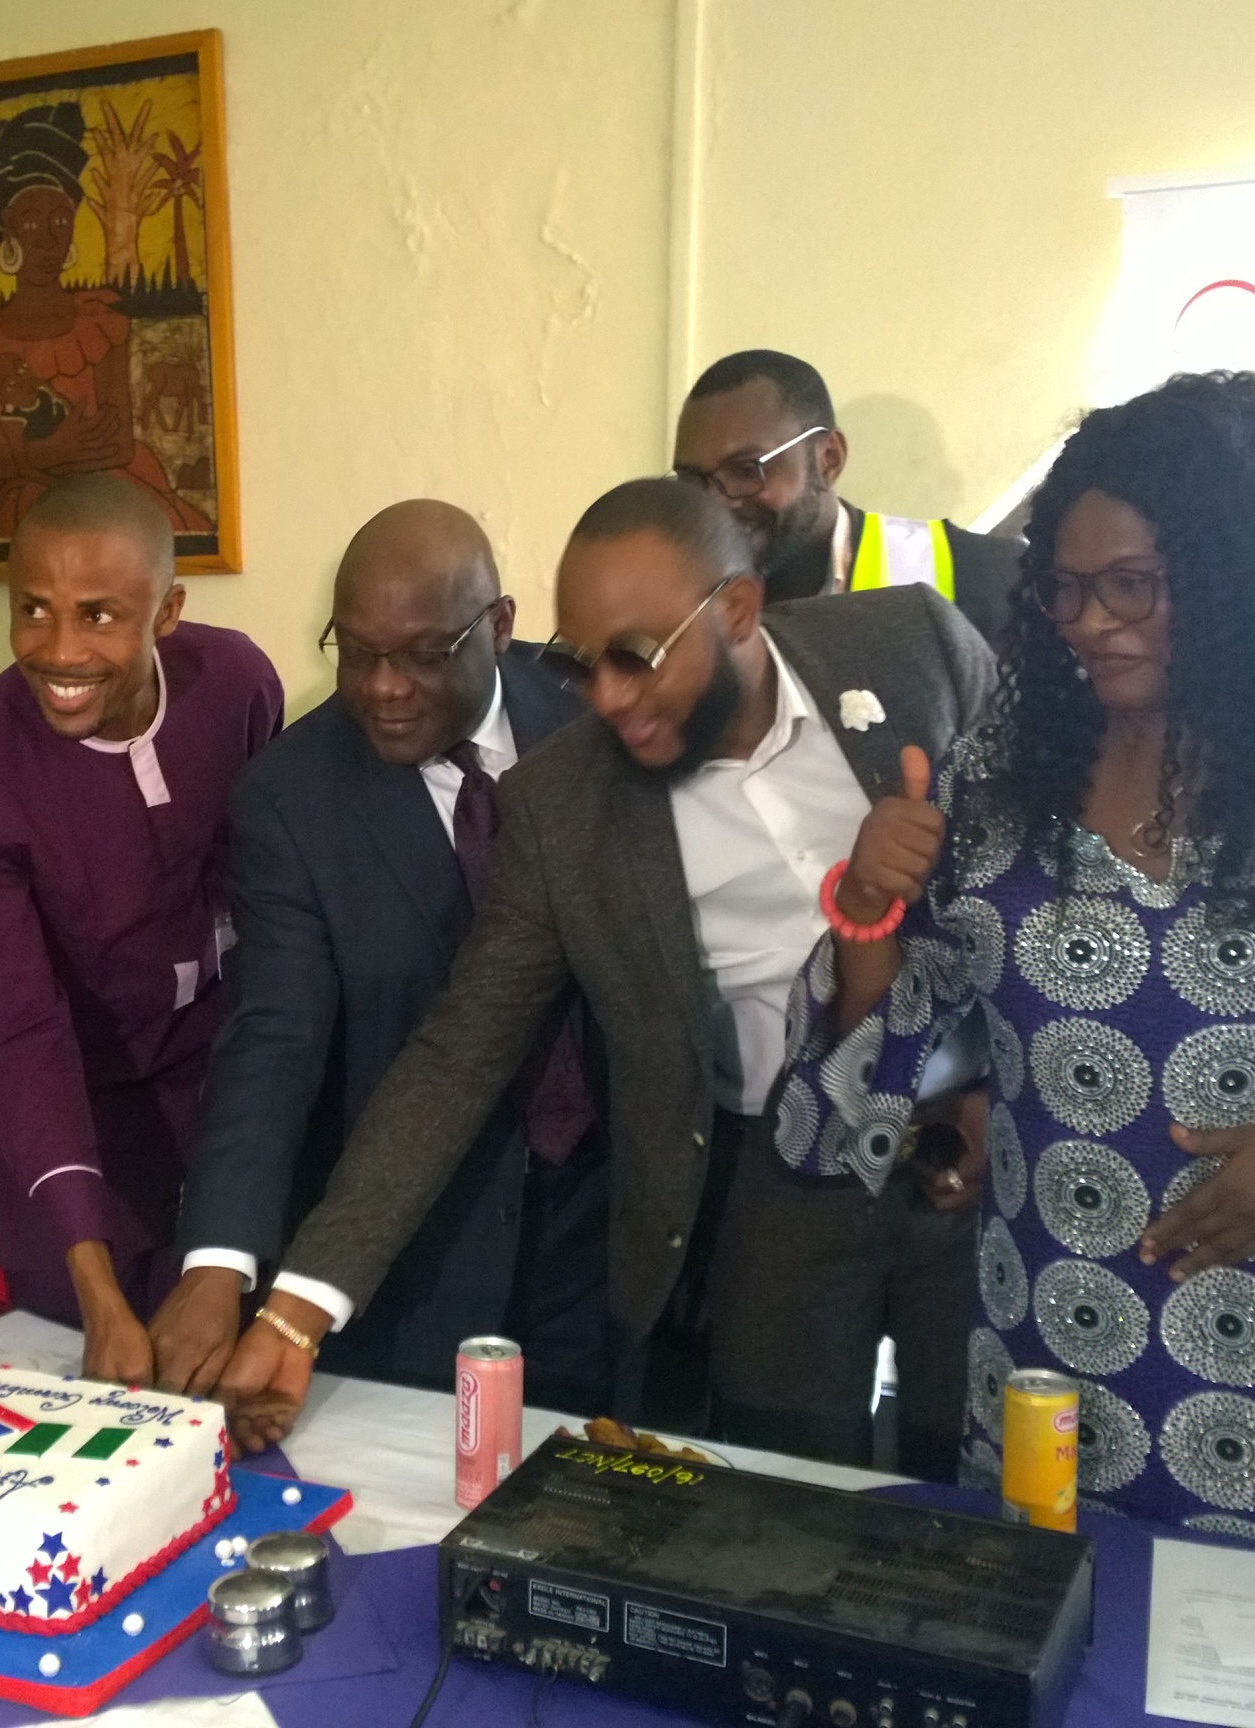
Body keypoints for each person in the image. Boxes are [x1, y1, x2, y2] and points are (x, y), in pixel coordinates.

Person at [776, 371, 1255, 1555]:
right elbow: (864, 1082)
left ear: (1240, 576)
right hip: (1049, 1349)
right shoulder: (1008, 776)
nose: (1089, 622)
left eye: (1133, 587)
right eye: (1065, 587)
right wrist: (866, 907)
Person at [215, 478, 995, 1469]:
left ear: (738, 611)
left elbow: (1050, 849)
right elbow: (458, 1052)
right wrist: (298, 1309)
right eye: (586, 666)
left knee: (989, 1485)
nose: (609, 698)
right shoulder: (567, 802)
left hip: (973, 1162)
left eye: (637, 659)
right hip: (775, 1184)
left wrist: (997, 1085)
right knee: (788, 1494)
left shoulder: (909, 646)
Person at [146, 501, 608, 1410]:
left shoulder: (598, 721)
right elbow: (273, 1038)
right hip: (414, 1258)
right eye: (356, 652)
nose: (383, 688)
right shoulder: (291, 797)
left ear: (501, 626)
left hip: (607, 1239)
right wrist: (219, 1260)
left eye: (424, 655)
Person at [0, 473, 282, 1373]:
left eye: (99, 615)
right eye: (32, 609)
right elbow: (23, 1035)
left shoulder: (236, 682)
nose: (59, 650)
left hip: (237, 1104)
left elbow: (277, 902)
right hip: (75, 1133)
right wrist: (98, 1288)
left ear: (167, 612)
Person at [0, 101, 211, 546]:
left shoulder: (101, 324)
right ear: (6, 230)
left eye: (60, 219)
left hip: (101, 493)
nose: (48, 236)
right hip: (8, 499)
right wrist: (55, 449)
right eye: (31, 219)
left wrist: (31, 456)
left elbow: (119, 442)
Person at [673, 349, 1020, 639]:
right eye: (691, 480)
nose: (714, 503)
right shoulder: (676, 605)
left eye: (747, 470)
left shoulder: (983, 580)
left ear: (828, 459)